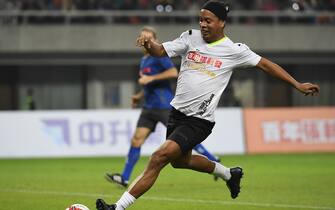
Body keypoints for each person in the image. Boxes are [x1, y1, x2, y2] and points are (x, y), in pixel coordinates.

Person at [96, 1, 320, 209]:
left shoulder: (234, 50)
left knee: (159, 157)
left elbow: (266, 65)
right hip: (176, 114)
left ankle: (117, 207)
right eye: (201, 19)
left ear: (222, 22)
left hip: (199, 120)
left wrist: (296, 84)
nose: (203, 24)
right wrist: (149, 43)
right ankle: (229, 174)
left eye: (208, 20)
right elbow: (160, 50)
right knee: (180, 162)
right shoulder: (190, 38)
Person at [105, 26, 221, 188]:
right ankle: (124, 177)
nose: (146, 40)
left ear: (155, 40)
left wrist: (150, 78)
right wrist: (138, 96)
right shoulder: (145, 59)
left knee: (182, 139)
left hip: (164, 106)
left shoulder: (159, 57)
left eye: (149, 37)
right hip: (149, 108)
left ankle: (212, 159)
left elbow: (173, 73)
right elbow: (148, 84)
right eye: (143, 36)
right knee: (136, 139)